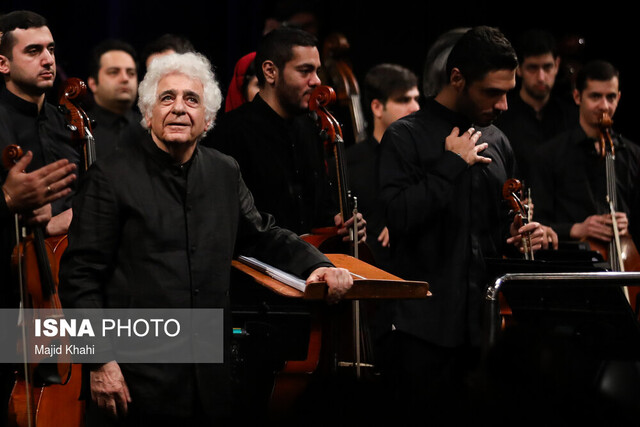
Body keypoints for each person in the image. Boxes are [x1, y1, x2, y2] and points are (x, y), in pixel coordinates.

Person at [58, 51, 353, 425]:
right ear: (148, 113)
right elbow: (79, 279)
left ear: (208, 119)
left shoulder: (223, 171)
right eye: (167, 98)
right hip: (134, 379)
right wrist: (99, 362)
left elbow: (262, 234)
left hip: (209, 380)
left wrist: (317, 265)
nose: (179, 108)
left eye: (191, 99)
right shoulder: (109, 177)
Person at [376, 25, 546, 423]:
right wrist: (451, 164)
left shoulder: (499, 141)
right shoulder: (405, 137)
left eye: (508, 91)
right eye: (492, 92)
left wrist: (521, 234)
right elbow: (398, 218)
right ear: (457, 79)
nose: (504, 104)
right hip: (422, 334)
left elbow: (500, 230)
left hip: (484, 333)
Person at [210, 26, 365, 240]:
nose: (317, 81)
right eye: (305, 71)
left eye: (316, 71)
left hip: (313, 258)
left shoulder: (312, 128)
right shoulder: (230, 133)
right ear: (270, 72)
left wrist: (340, 224)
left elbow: (322, 211)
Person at [532, 60, 640, 252]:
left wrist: (628, 223)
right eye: (595, 96)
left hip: (625, 259)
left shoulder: (633, 154)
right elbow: (538, 223)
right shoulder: (549, 155)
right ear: (577, 97)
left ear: (619, 97)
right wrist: (576, 229)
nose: (604, 106)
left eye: (611, 97)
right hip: (571, 261)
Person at [0, 10, 81, 237]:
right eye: (33, 51)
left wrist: (74, 214)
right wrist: (7, 199)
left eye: (51, 50)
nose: (48, 60)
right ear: (3, 64)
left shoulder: (69, 122)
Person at [344, 63, 420, 268]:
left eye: (416, 99)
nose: (415, 108)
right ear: (377, 107)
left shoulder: (426, 160)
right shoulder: (349, 162)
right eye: (403, 100)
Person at [494, 28, 578, 186]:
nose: (541, 77)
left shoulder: (572, 116)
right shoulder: (501, 117)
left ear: (557, 65)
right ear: (519, 68)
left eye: (547, 67)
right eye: (533, 68)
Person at [86, 38, 142, 159]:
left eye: (131, 73)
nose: (125, 78)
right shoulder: (80, 130)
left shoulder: (149, 128)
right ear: (93, 84)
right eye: (114, 72)